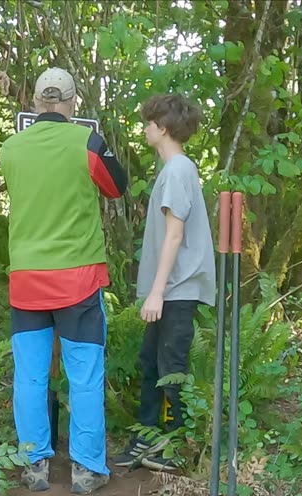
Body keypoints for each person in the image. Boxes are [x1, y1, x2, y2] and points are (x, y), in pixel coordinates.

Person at [0, 67, 128, 495]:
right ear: (73, 104)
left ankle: (33, 464)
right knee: (85, 374)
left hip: (27, 281)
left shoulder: (11, 148)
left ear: (35, 103)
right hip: (78, 280)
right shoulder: (86, 142)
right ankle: (87, 468)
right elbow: (116, 187)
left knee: (30, 375)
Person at [116, 93, 213, 472]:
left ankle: (176, 448)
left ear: (164, 128)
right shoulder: (174, 170)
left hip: (176, 289)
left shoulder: (177, 170)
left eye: (148, 122)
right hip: (171, 289)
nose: (144, 128)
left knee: (172, 367)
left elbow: (175, 235)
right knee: (151, 363)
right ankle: (147, 439)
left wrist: (157, 293)